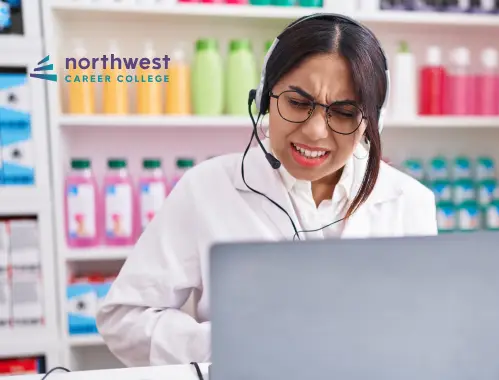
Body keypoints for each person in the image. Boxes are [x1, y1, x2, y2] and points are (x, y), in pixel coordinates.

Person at [95, 14, 438, 367]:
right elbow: (123, 319)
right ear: (264, 97)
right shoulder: (207, 188)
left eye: (344, 112)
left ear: (371, 122)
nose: (315, 131)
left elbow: (428, 332)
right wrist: (230, 346)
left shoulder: (409, 202)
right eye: (298, 103)